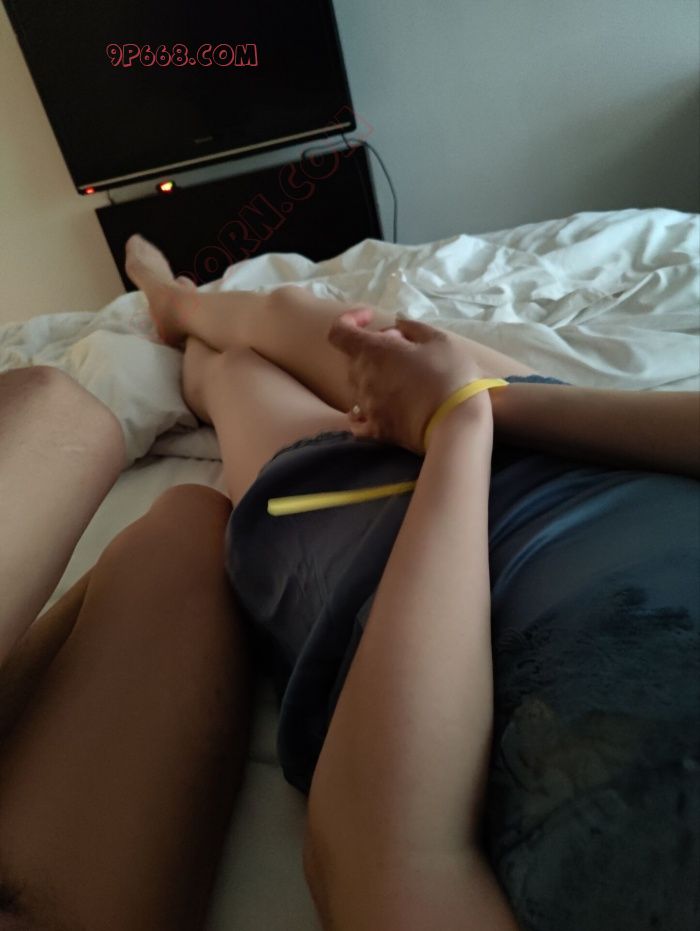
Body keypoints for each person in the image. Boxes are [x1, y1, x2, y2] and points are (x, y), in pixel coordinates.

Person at [0, 232, 696, 930]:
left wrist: (458, 426)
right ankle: (174, 303)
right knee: (294, 313)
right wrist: (470, 401)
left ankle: (179, 315)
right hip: (586, 456)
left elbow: (382, 861)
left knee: (231, 372)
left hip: (397, 571)